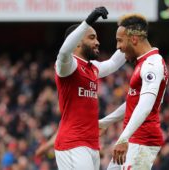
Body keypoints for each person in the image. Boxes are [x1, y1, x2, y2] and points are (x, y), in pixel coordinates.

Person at [44, 6, 126, 170]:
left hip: (91, 143)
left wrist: (129, 40)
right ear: (78, 42)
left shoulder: (92, 68)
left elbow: (113, 63)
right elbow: (64, 51)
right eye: (92, 37)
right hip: (72, 144)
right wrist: (89, 20)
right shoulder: (67, 66)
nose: (97, 42)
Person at [99, 14, 169, 170]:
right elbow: (134, 103)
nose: (118, 47)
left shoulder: (152, 64)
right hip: (133, 139)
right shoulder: (143, 62)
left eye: (120, 40)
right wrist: (106, 122)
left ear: (134, 39)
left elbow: (145, 106)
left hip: (142, 140)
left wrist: (123, 138)